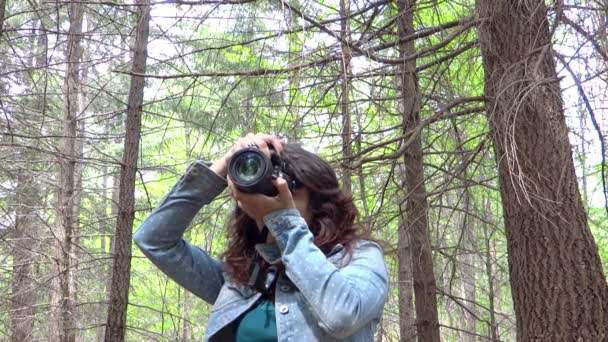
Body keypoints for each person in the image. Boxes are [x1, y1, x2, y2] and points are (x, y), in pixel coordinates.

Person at [133, 133, 389, 341]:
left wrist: (284, 223)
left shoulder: (359, 256)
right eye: (266, 191)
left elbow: (342, 316)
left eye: (290, 190)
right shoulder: (241, 278)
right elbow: (154, 240)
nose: (274, 200)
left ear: (320, 203)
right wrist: (224, 165)